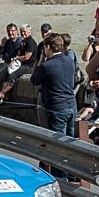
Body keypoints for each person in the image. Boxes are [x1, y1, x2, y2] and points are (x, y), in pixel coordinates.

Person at [31, 33, 77, 178]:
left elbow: (34, 80)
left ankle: (61, 178)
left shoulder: (47, 65)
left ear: (48, 47)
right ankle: (72, 175)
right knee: (71, 145)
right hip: (71, 105)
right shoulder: (69, 61)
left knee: (58, 148)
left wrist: (41, 61)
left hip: (57, 108)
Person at [0, 24, 37, 104]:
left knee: (13, 75)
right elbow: (1, 55)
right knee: (3, 74)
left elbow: (27, 57)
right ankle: (1, 96)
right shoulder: (23, 42)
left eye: (25, 32)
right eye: (22, 32)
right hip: (21, 64)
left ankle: (1, 94)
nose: (23, 34)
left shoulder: (30, 42)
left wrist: (15, 59)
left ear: (29, 32)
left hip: (29, 66)